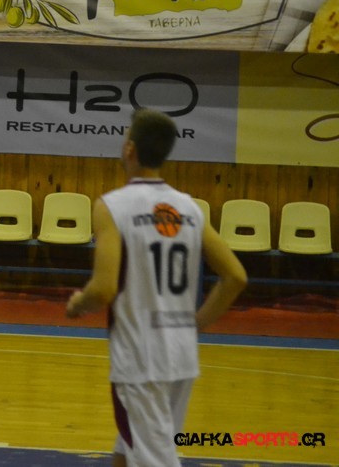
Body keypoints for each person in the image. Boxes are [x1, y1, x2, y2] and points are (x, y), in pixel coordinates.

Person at [66, 109, 248, 467]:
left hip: (140, 358)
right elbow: (235, 277)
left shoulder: (112, 207)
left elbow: (103, 290)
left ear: (129, 149)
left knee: (154, 459)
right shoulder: (190, 208)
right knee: (129, 451)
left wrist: (77, 304)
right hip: (180, 355)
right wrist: (195, 324)